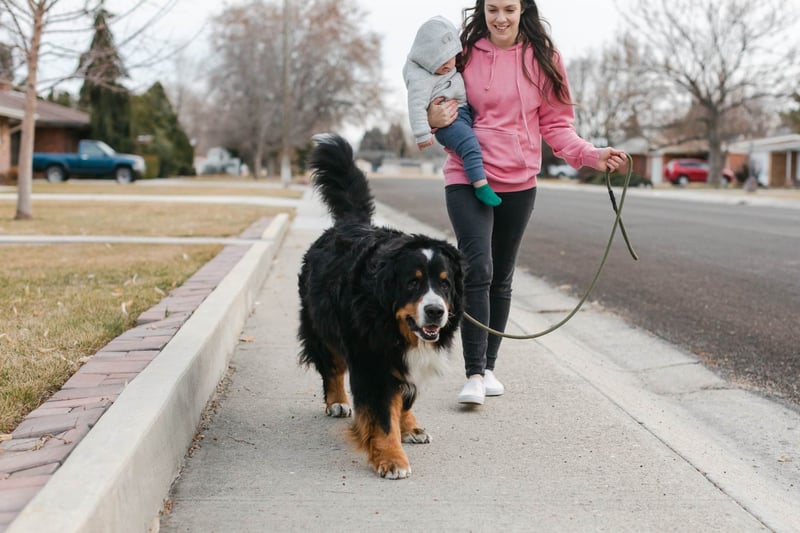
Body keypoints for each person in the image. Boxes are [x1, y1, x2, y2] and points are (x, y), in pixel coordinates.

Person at [426, 0, 627, 405]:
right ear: (482, 10)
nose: (500, 18)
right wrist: (432, 115)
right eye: (493, 9)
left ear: (524, 10)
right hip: (467, 175)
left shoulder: (545, 59)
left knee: (501, 275)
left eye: (509, 9)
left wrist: (593, 155)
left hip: (519, 181)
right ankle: (474, 374)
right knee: (477, 267)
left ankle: (491, 366)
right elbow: (436, 100)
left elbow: (556, 126)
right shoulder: (463, 52)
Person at [404, 16, 502, 207]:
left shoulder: (451, 62)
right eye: (442, 61)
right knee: (470, 145)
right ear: (428, 57)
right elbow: (415, 105)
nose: (449, 65)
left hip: (463, 112)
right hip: (449, 122)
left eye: (452, 56)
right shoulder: (420, 79)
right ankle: (480, 185)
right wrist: (422, 134)